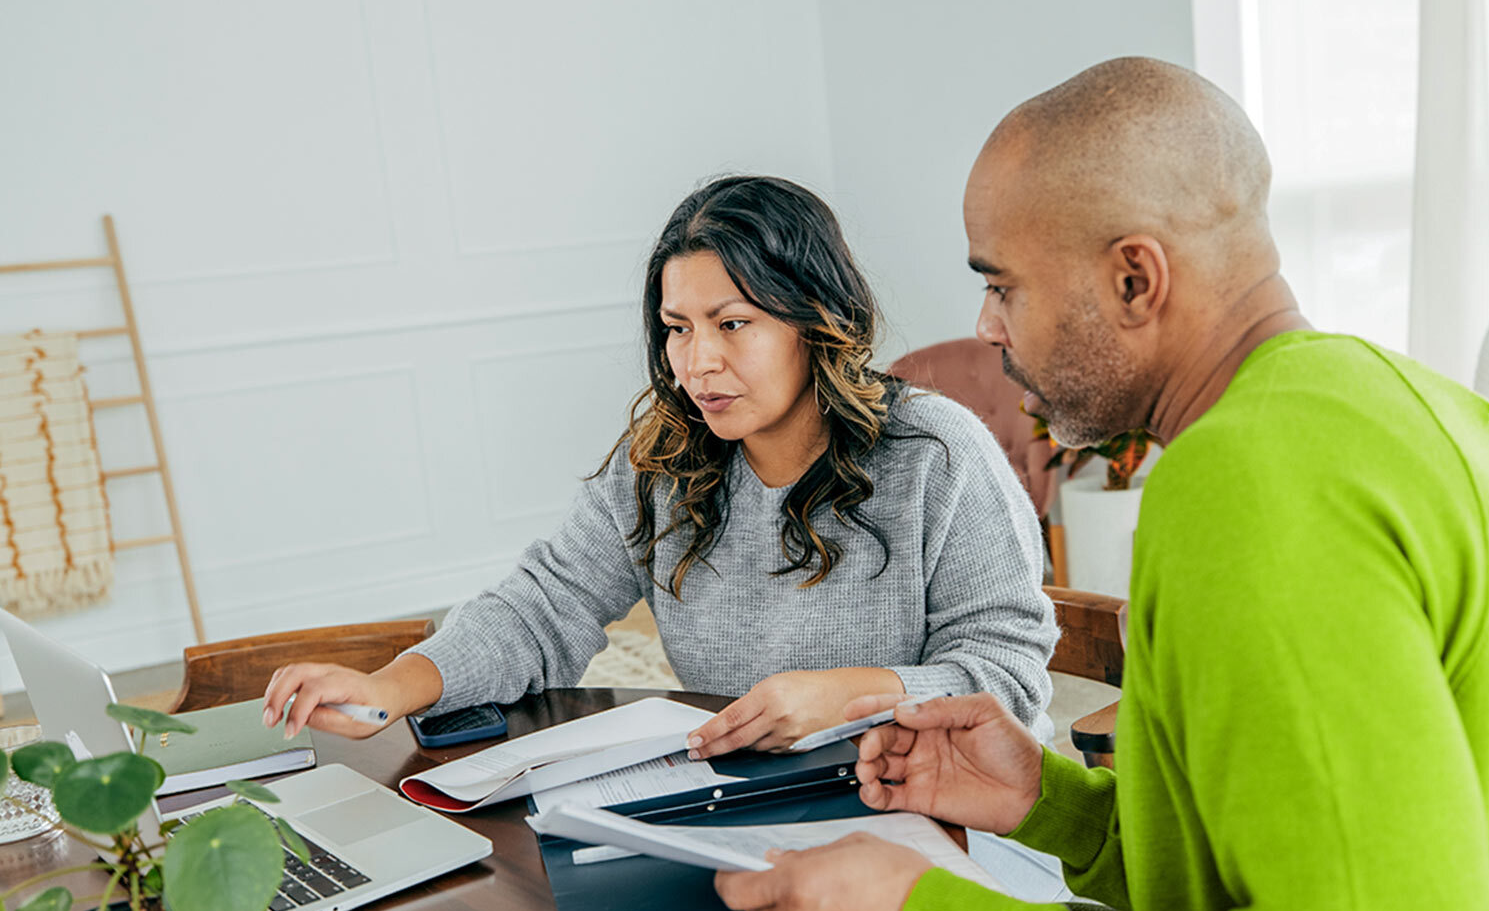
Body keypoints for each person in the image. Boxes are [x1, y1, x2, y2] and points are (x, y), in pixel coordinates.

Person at [714, 58, 1489, 911]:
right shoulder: (1392, 396)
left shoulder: (1250, 484)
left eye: (1003, 285)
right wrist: (1050, 805)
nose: (987, 325)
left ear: (1135, 277)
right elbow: (1321, 866)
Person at [262, 175, 1056, 754]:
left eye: (732, 323)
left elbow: (1009, 675)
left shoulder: (935, 452)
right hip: (753, 797)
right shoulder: (668, 464)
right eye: (678, 328)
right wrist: (386, 687)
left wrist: (856, 692)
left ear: (815, 321)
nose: (697, 363)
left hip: (937, 801)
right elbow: (544, 605)